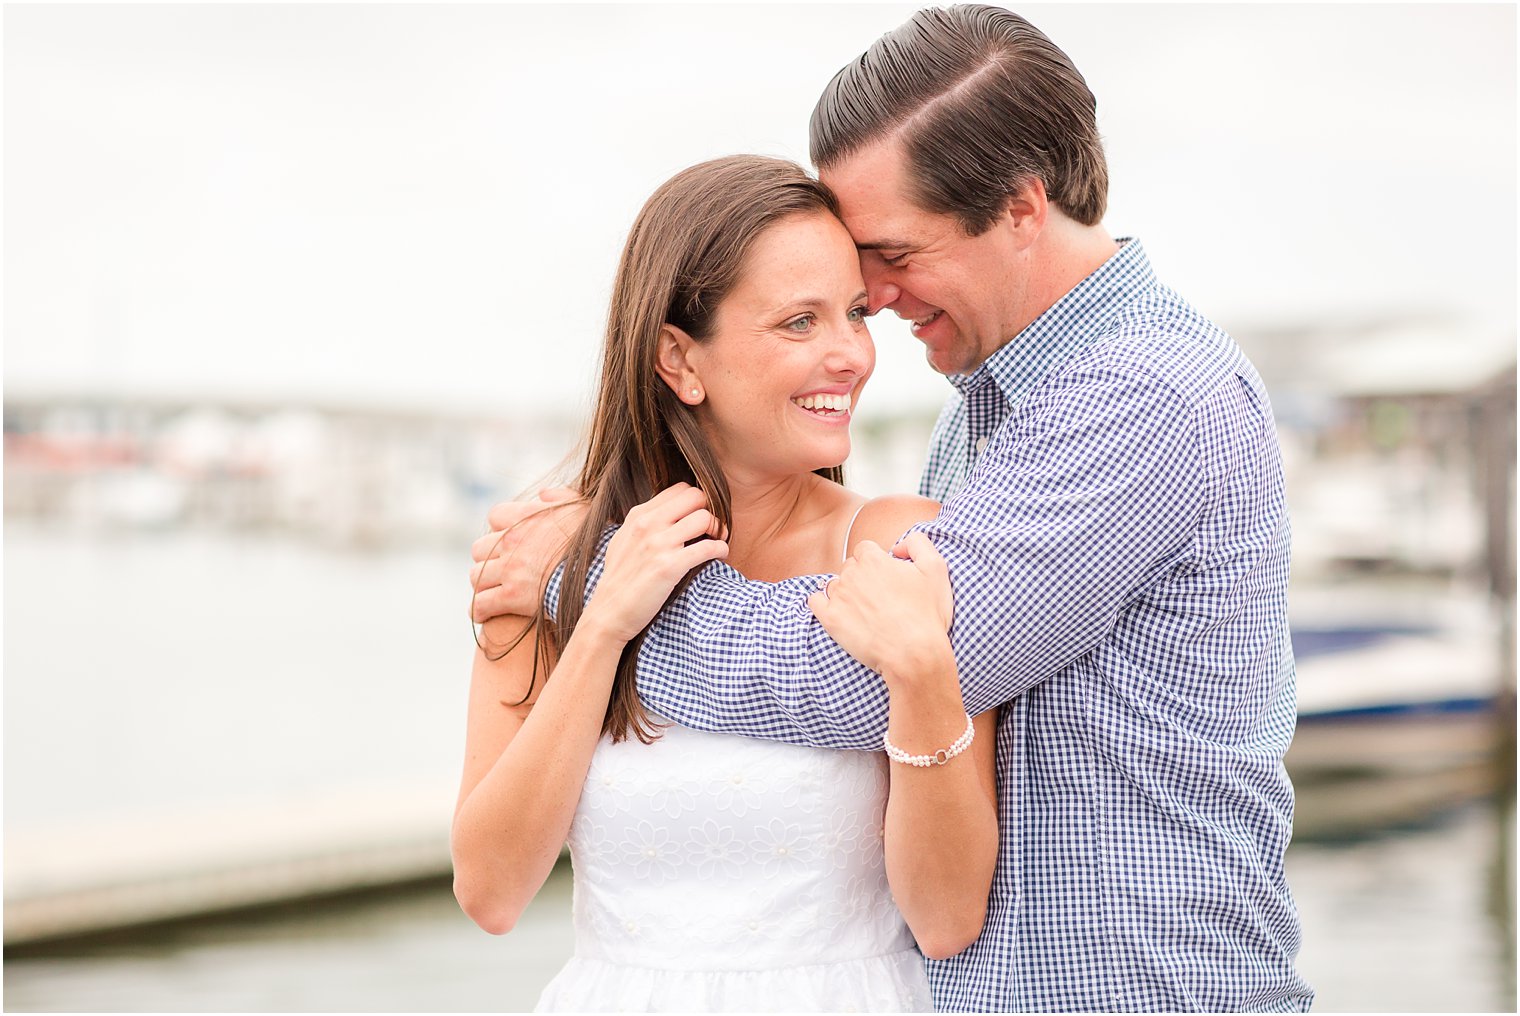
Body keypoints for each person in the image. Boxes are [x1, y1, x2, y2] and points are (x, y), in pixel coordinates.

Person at [469, 6, 1314, 1013]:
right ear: (675, 356)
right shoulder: (986, 415)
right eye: (809, 307)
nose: (870, 303)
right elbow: (488, 881)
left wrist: (595, 588)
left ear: (1017, 209)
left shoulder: (1142, 397)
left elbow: (850, 673)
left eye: (889, 254)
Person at [451, 154, 999, 1012]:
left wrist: (925, 673)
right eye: (797, 323)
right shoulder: (548, 559)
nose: (850, 354)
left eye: (854, 314)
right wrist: (599, 623)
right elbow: (490, 891)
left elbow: (947, 917)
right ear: (679, 359)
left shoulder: (902, 547)